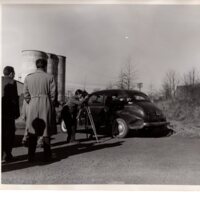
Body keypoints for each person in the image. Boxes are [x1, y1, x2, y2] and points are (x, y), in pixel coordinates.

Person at [23, 58, 56, 162]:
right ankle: (47, 156)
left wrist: (32, 101)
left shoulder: (28, 78)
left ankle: (30, 156)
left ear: (36, 66)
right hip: (45, 103)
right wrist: (48, 103)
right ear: (45, 66)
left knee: (32, 130)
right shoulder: (50, 77)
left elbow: (26, 95)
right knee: (45, 130)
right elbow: (53, 95)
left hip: (32, 104)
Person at [2, 66, 20, 162]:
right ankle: (7, 155)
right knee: (9, 134)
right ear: (11, 73)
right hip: (8, 114)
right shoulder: (12, 82)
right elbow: (14, 100)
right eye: (14, 73)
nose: (15, 75)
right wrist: (16, 113)